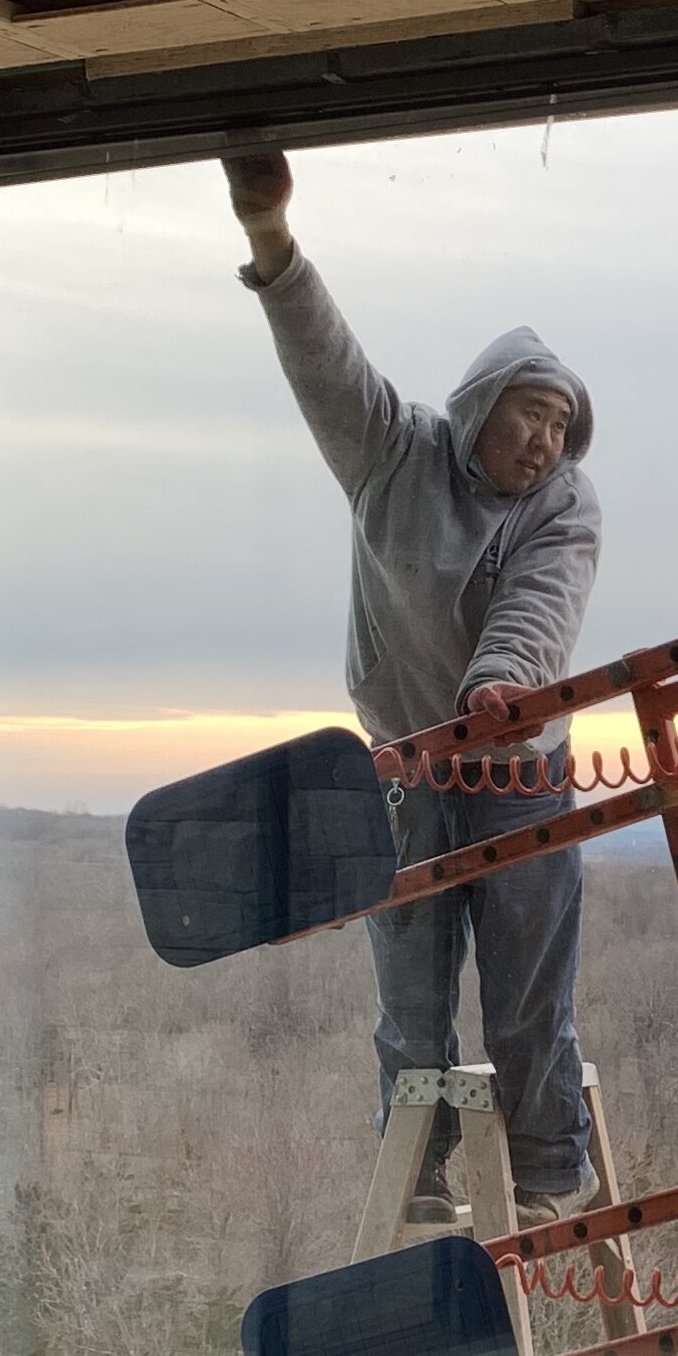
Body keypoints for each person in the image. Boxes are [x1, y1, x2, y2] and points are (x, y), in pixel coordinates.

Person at [222, 147, 603, 1226]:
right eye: (533, 415)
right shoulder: (392, 456)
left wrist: (501, 690)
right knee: (411, 992)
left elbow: (541, 606)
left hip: (518, 769)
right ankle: (421, 1171)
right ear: (482, 404)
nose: (547, 442)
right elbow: (326, 364)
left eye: (562, 427)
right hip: (405, 768)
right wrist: (272, 242)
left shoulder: (565, 506)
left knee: (528, 993)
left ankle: (546, 1172)